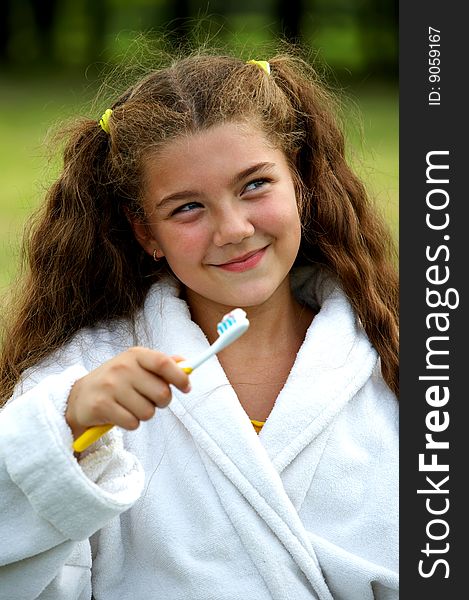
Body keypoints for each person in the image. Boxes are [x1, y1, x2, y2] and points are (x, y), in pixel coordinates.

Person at [0, 49, 399, 600]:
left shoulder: (398, 356)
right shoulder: (83, 383)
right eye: (187, 208)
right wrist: (63, 431)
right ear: (147, 235)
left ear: (301, 185)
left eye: (255, 185)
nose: (233, 229)